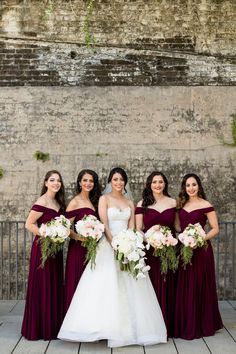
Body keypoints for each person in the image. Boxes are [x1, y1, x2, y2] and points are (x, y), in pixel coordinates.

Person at [58, 167, 167, 347]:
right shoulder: (104, 199)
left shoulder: (130, 203)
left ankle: (130, 330)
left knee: (132, 288)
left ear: (125, 182)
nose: (118, 182)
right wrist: (115, 245)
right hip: (109, 246)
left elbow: (132, 227)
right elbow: (104, 224)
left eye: (121, 180)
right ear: (110, 182)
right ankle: (101, 328)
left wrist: (130, 244)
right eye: (115, 179)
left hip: (128, 248)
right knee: (104, 287)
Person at [174, 173, 223, 339]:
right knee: (185, 284)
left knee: (199, 284)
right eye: (188, 185)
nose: (191, 188)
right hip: (184, 249)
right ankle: (186, 322)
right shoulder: (181, 204)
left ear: (199, 186)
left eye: (194, 184)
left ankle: (203, 323)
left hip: (201, 250)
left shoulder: (206, 204)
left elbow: (215, 228)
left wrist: (199, 238)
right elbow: (178, 226)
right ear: (184, 188)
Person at [21, 170, 66, 340]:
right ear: (46, 183)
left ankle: (53, 326)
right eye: (52, 180)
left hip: (56, 250)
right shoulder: (42, 201)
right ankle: (39, 328)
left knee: (54, 284)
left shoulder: (58, 202)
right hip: (43, 249)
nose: (56, 183)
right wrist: (47, 233)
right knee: (42, 285)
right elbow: (29, 224)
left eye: (58, 181)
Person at [135, 171, 177, 337]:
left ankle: (169, 324)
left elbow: (177, 227)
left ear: (165, 184)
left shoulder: (173, 202)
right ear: (149, 185)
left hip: (168, 251)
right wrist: (151, 238)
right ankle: (151, 326)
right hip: (150, 252)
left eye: (160, 182)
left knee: (168, 284)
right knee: (150, 287)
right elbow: (138, 229)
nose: (158, 185)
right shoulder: (142, 203)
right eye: (154, 182)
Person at [64, 169, 101, 311]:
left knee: (91, 285)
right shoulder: (75, 202)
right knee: (78, 282)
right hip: (78, 249)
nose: (88, 183)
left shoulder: (95, 200)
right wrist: (81, 237)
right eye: (85, 180)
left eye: (91, 181)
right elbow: (66, 228)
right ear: (79, 182)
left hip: (94, 249)